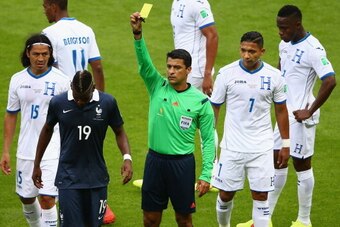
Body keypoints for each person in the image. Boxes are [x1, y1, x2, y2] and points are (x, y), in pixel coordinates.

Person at [130, 12, 216, 227]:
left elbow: (207, 140)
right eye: (169, 66)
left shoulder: (201, 102)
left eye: (177, 67)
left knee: (183, 219)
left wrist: (206, 175)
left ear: (188, 70)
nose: (171, 71)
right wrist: (138, 34)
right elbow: (144, 63)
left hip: (182, 165)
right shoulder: (157, 86)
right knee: (150, 219)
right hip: (155, 162)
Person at [32, 70, 133, 227]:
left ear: (93, 88)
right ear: (71, 86)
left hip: (97, 178)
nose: (79, 102)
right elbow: (47, 130)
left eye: (84, 99)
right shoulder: (58, 102)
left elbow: (119, 131)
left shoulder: (107, 103)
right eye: (77, 97)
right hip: (68, 178)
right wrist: (36, 164)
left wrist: (127, 158)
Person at [210, 31, 290, 227]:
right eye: (243, 50)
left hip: (261, 148)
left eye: (252, 51)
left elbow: (281, 110)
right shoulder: (226, 74)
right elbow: (214, 109)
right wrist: (209, 142)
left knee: (261, 195)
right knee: (225, 194)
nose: (247, 55)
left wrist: (286, 144)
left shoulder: (275, 76)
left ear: (262, 51)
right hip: (232, 147)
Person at [267, 5, 336, 227]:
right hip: (283, 116)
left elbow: (330, 80)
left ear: (297, 25)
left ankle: (304, 221)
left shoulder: (314, 49)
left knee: (301, 164)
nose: (280, 32)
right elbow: (281, 71)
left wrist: (310, 110)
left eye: (284, 28)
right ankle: (264, 218)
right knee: (277, 160)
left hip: (300, 117)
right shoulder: (284, 44)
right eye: (278, 27)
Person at [0, 34, 70, 227]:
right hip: (26, 150)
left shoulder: (62, 81)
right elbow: (11, 114)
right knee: (27, 199)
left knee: (47, 198)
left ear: (50, 55)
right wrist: (5, 150)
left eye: (45, 54)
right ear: (28, 54)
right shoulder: (17, 80)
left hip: (52, 149)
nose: (41, 58)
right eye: (36, 54)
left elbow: (71, 115)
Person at [42, 0, 105, 91]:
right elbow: (98, 68)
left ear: (53, 7)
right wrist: (100, 98)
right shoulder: (86, 30)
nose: (44, 11)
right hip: (84, 93)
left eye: (45, 7)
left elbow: (51, 69)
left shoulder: (49, 33)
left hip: (62, 95)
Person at [170, 0, 218, 96]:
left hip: (196, 71)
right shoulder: (177, 1)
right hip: (182, 66)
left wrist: (207, 74)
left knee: (184, 107)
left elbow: (212, 36)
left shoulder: (197, 4)